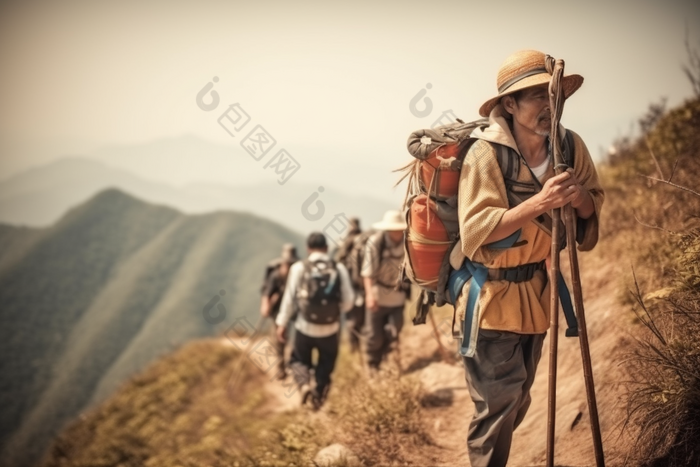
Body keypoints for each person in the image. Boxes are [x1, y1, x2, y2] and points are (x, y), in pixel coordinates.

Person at [449, 49, 604, 466]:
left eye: (550, 95)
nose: (547, 105)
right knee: (498, 408)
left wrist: (580, 198)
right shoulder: (486, 155)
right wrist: (541, 202)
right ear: (510, 105)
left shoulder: (570, 147)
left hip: (537, 298)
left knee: (516, 402)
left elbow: (592, 211)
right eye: (535, 96)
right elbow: (476, 233)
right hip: (491, 301)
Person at [275, 232, 354, 409]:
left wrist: (282, 323)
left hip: (304, 326)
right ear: (326, 248)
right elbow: (349, 301)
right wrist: (334, 312)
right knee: (326, 364)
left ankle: (304, 385)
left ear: (308, 249)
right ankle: (317, 402)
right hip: (331, 328)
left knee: (298, 360)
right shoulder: (338, 268)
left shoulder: (299, 267)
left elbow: (289, 298)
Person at [362, 210, 410, 371]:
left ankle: (385, 358)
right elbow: (368, 273)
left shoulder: (407, 242)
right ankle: (372, 365)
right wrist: (369, 295)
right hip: (378, 295)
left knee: (395, 328)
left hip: (398, 294)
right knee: (374, 336)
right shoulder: (375, 243)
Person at [260, 243, 298, 378]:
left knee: (293, 340)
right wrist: (265, 306)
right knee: (279, 340)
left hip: (294, 312)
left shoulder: (297, 274)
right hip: (278, 312)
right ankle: (281, 367)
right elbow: (267, 293)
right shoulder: (275, 276)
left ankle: (294, 365)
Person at [333, 217, 366, 353]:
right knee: (361, 320)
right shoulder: (365, 240)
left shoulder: (344, 243)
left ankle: (355, 348)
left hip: (351, 286)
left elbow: (338, 261)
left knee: (352, 321)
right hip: (363, 285)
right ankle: (358, 348)